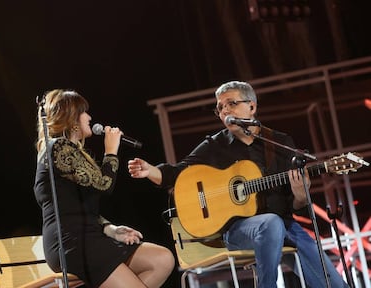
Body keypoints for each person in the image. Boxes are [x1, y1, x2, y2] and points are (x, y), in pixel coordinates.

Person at [128, 81, 349, 288]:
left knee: (334, 284)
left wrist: (301, 193)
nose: (225, 111)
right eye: (220, 108)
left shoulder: (280, 144)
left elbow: (297, 205)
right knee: (270, 223)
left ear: (251, 106)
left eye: (231, 104)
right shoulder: (215, 146)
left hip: (285, 226)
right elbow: (178, 173)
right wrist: (151, 170)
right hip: (237, 232)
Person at [34, 89, 174, 288]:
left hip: (91, 238)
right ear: (72, 116)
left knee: (162, 259)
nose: (90, 117)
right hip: (71, 243)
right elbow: (104, 184)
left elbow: (80, 206)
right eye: (84, 112)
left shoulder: (71, 152)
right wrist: (111, 150)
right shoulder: (57, 148)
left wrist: (111, 229)